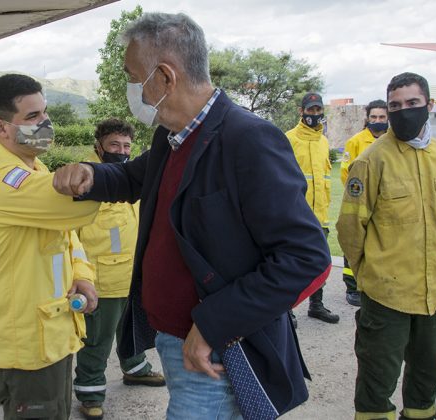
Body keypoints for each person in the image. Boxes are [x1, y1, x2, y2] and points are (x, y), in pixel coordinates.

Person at [53, 13, 331, 419]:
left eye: (134, 76)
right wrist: (90, 174)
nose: (133, 88)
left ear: (165, 77)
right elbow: (133, 177)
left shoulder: (248, 139)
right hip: (175, 336)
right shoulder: (173, 135)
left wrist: (213, 324)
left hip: (213, 349)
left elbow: (306, 259)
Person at [0, 73, 101, 420]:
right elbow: (79, 207)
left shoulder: (35, 168)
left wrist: (83, 276)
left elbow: (68, 237)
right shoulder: (3, 180)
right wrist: (125, 176)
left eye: (44, 113)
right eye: (32, 117)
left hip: (50, 334)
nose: (45, 123)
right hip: (25, 344)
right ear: (2, 127)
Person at [337, 72, 436, 420]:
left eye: (412, 104)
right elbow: (349, 229)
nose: (404, 111)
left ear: (428, 106)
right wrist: (369, 276)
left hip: (434, 296)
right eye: (395, 106)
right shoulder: (372, 160)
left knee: (428, 377)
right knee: (376, 382)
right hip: (386, 297)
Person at [73, 118, 165, 420]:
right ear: (98, 147)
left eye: (126, 146)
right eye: (114, 145)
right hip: (100, 282)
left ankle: (136, 369)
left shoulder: (133, 179)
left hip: (132, 277)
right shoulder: (85, 183)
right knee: (97, 341)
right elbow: (68, 236)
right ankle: (90, 392)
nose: (121, 151)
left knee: (133, 330)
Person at [285, 92, 340, 325]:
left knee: (319, 264)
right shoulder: (288, 139)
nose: (315, 115)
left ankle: (316, 305)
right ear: (301, 111)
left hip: (321, 216)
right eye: (310, 110)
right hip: (296, 216)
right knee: (290, 265)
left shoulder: (324, 142)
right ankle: (287, 309)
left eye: (318, 110)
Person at [339, 100, 389, 307]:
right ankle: (352, 287)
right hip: (360, 200)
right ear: (367, 118)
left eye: (381, 117)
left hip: (384, 203)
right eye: (373, 117)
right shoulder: (356, 142)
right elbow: (345, 172)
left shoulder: (392, 141)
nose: (377, 121)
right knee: (354, 240)